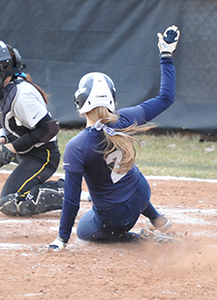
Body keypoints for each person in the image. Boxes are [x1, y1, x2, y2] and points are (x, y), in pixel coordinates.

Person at [49, 25, 180, 250]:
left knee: (84, 229)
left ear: (80, 104)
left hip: (115, 217)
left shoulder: (77, 146)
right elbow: (166, 97)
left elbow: (71, 199)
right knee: (127, 185)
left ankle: (142, 239)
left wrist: (61, 239)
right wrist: (166, 55)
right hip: (141, 195)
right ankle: (158, 220)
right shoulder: (126, 119)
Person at [0, 41, 64, 216]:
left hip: (42, 155)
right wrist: (3, 139)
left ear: (4, 69)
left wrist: (12, 147)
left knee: (10, 201)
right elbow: (7, 122)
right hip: (25, 152)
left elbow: (49, 128)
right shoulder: (5, 91)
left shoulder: (22, 95)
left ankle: (66, 191)